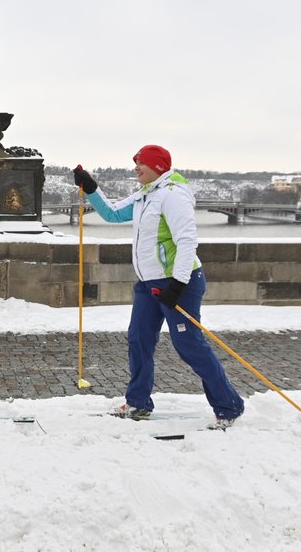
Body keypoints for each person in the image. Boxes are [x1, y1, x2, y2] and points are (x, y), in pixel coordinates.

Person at [73, 145, 245, 429]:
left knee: (189, 345)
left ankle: (229, 406)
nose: (135, 168)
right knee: (139, 340)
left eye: (140, 163)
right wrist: (91, 188)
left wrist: (178, 283)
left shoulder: (172, 195)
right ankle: (139, 402)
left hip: (179, 283)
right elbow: (113, 214)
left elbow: (187, 240)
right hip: (148, 285)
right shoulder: (145, 195)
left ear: (157, 166)